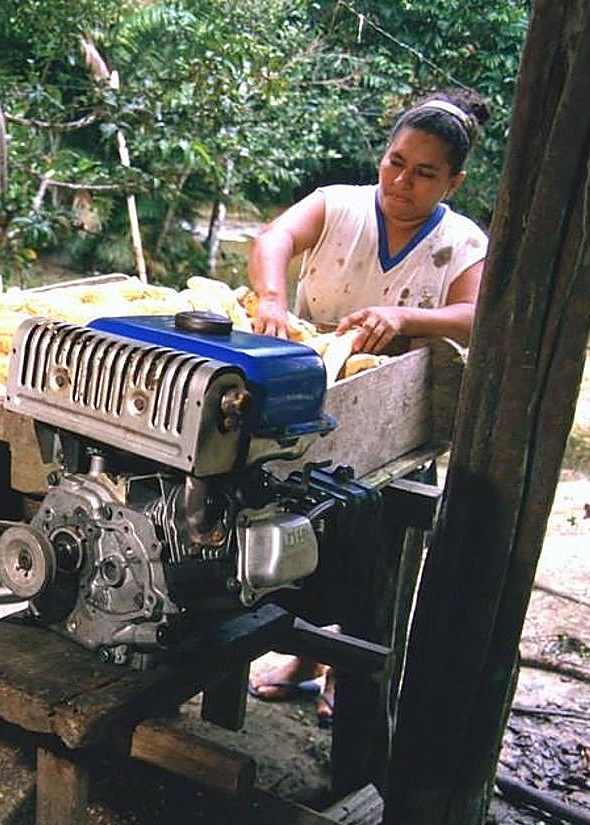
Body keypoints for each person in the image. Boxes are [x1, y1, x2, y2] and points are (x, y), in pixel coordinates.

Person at [246, 89, 491, 724]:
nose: (402, 181)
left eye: (425, 173)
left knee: (374, 557)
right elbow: (274, 239)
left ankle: (349, 681)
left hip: (395, 421)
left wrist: (403, 315)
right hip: (313, 406)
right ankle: (304, 659)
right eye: (395, 161)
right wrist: (271, 299)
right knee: (300, 546)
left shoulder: (461, 243)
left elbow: (473, 316)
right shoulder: (339, 207)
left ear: (454, 182)